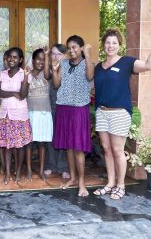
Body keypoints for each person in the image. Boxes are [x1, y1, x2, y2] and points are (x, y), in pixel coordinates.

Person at [93, 24, 151, 199]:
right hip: (102, 112)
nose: (110, 46)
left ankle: (120, 185)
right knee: (107, 149)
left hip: (119, 113)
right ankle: (110, 183)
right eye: (108, 43)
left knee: (118, 150)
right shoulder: (98, 67)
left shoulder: (127, 62)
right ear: (103, 45)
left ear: (120, 45)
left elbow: (149, 65)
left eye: (114, 43)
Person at [51, 35, 94, 197]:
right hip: (63, 108)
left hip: (78, 109)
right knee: (69, 147)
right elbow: (56, 85)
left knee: (78, 148)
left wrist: (87, 55)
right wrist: (55, 71)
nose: (71, 50)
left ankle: (82, 183)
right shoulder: (62, 63)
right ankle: (73, 178)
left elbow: (90, 77)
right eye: (69, 47)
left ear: (81, 48)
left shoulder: (87, 63)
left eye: (75, 47)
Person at [0, 47, 32, 185]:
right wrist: (12, 93)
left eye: (15, 57)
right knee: (6, 146)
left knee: (19, 146)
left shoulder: (25, 74)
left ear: (20, 60)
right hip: (5, 114)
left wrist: (27, 76)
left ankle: (17, 173)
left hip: (20, 115)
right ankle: (8, 174)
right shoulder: (2, 74)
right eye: (10, 56)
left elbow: (22, 95)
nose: (12, 59)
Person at [43, 44, 70, 179]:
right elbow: (47, 75)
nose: (55, 56)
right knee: (51, 136)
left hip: (66, 106)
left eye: (58, 54)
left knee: (64, 137)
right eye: (53, 53)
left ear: (65, 55)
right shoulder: (50, 67)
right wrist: (47, 56)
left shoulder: (69, 68)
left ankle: (63, 167)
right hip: (51, 106)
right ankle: (50, 165)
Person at [27, 48, 53, 181]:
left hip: (44, 113)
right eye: (38, 59)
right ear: (33, 60)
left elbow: (48, 72)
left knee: (42, 144)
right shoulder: (27, 74)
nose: (41, 62)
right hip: (30, 112)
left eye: (43, 59)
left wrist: (47, 55)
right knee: (29, 143)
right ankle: (29, 170)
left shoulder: (46, 74)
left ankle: (41, 170)